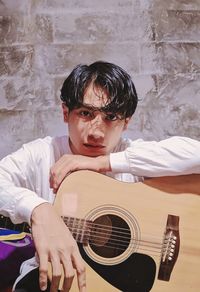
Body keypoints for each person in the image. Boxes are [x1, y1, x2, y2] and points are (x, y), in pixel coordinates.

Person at [0, 61, 199, 292]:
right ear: (66, 113)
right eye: (86, 113)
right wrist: (38, 209)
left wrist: (104, 162)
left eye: (111, 117)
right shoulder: (42, 154)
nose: (96, 132)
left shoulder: (133, 155)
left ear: (126, 122)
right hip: (61, 278)